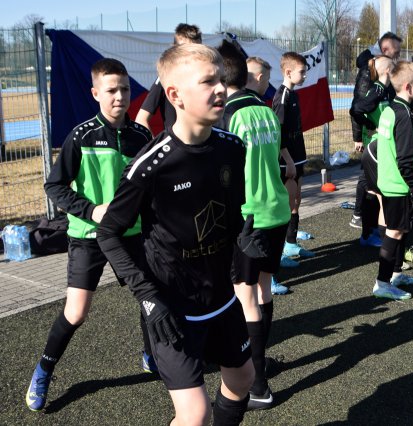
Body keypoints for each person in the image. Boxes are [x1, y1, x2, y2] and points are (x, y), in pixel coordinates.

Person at [97, 43, 254, 425]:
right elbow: (109, 232)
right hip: (171, 305)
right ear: (175, 96)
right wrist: (148, 296)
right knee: (194, 413)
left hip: (220, 297)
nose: (219, 88)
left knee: (242, 379)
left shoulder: (233, 148)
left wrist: (246, 240)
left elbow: (233, 215)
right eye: (207, 82)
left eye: (220, 79)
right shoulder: (151, 165)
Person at [26, 58, 154, 412]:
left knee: (149, 294)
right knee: (77, 312)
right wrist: (91, 210)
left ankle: (151, 354)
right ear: (96, 93)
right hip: (88, 236)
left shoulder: (141, 136)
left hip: (132, 234)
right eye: (111, 90)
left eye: (125, 89)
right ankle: (44, 369)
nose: (119, 97)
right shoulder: (81, 136)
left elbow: (150, 186)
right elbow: (54, 186)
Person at [218, 42, 291, 410]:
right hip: (276, 211)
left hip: (249, 217)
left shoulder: (229, 113)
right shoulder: (265, 109)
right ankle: (261, 365)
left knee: (245, 297)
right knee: (263, 291)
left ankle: (258, 383)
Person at [374, 61, 413, 300]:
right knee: (394, 232)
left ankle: (395, 273)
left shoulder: (390, 108)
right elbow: (405, 160)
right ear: (408, 86)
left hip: (389, 181)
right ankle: (382, 284)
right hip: (398, 184)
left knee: (400, 231)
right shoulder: (403, 115)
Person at [350, 32, 402, 229]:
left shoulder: (388, 73)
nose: (398, 56)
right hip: (372, 136)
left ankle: (375, 224)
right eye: (396, 52)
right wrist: (360, 136)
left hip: (386, 135)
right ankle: (360, 215)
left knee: (377, 180)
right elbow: (357, 108)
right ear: (386, 51)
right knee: (369, 178)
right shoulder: (368, 73)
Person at [272, 51, 315, 265]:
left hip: (298, 157)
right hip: (287, 160)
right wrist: (287, 159)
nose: (305, 75)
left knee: (296, 201)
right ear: (288, 72)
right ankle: (278, 252)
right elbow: (277, 133)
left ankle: (291, 244)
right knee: (286, 205)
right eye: (302, 72)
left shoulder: (295, 94)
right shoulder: (281, 97)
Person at [349, 55, 394, 248]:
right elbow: (356, 109)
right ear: (386, 71)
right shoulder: (376, 89)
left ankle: (373, 229)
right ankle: (366, 235)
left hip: (384, 145)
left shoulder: (386, 89)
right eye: (393, 67)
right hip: (374, 146)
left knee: (377, 188)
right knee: (371, 188)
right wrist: (370, 124)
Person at [135, 23, 202, 134]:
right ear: (174, 49)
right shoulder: (165, 79)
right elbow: (141, 119)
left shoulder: (208, 79)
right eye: (184, 49)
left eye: (196, 50)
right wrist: (156, 145)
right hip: (177, 147)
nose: (191, 54)